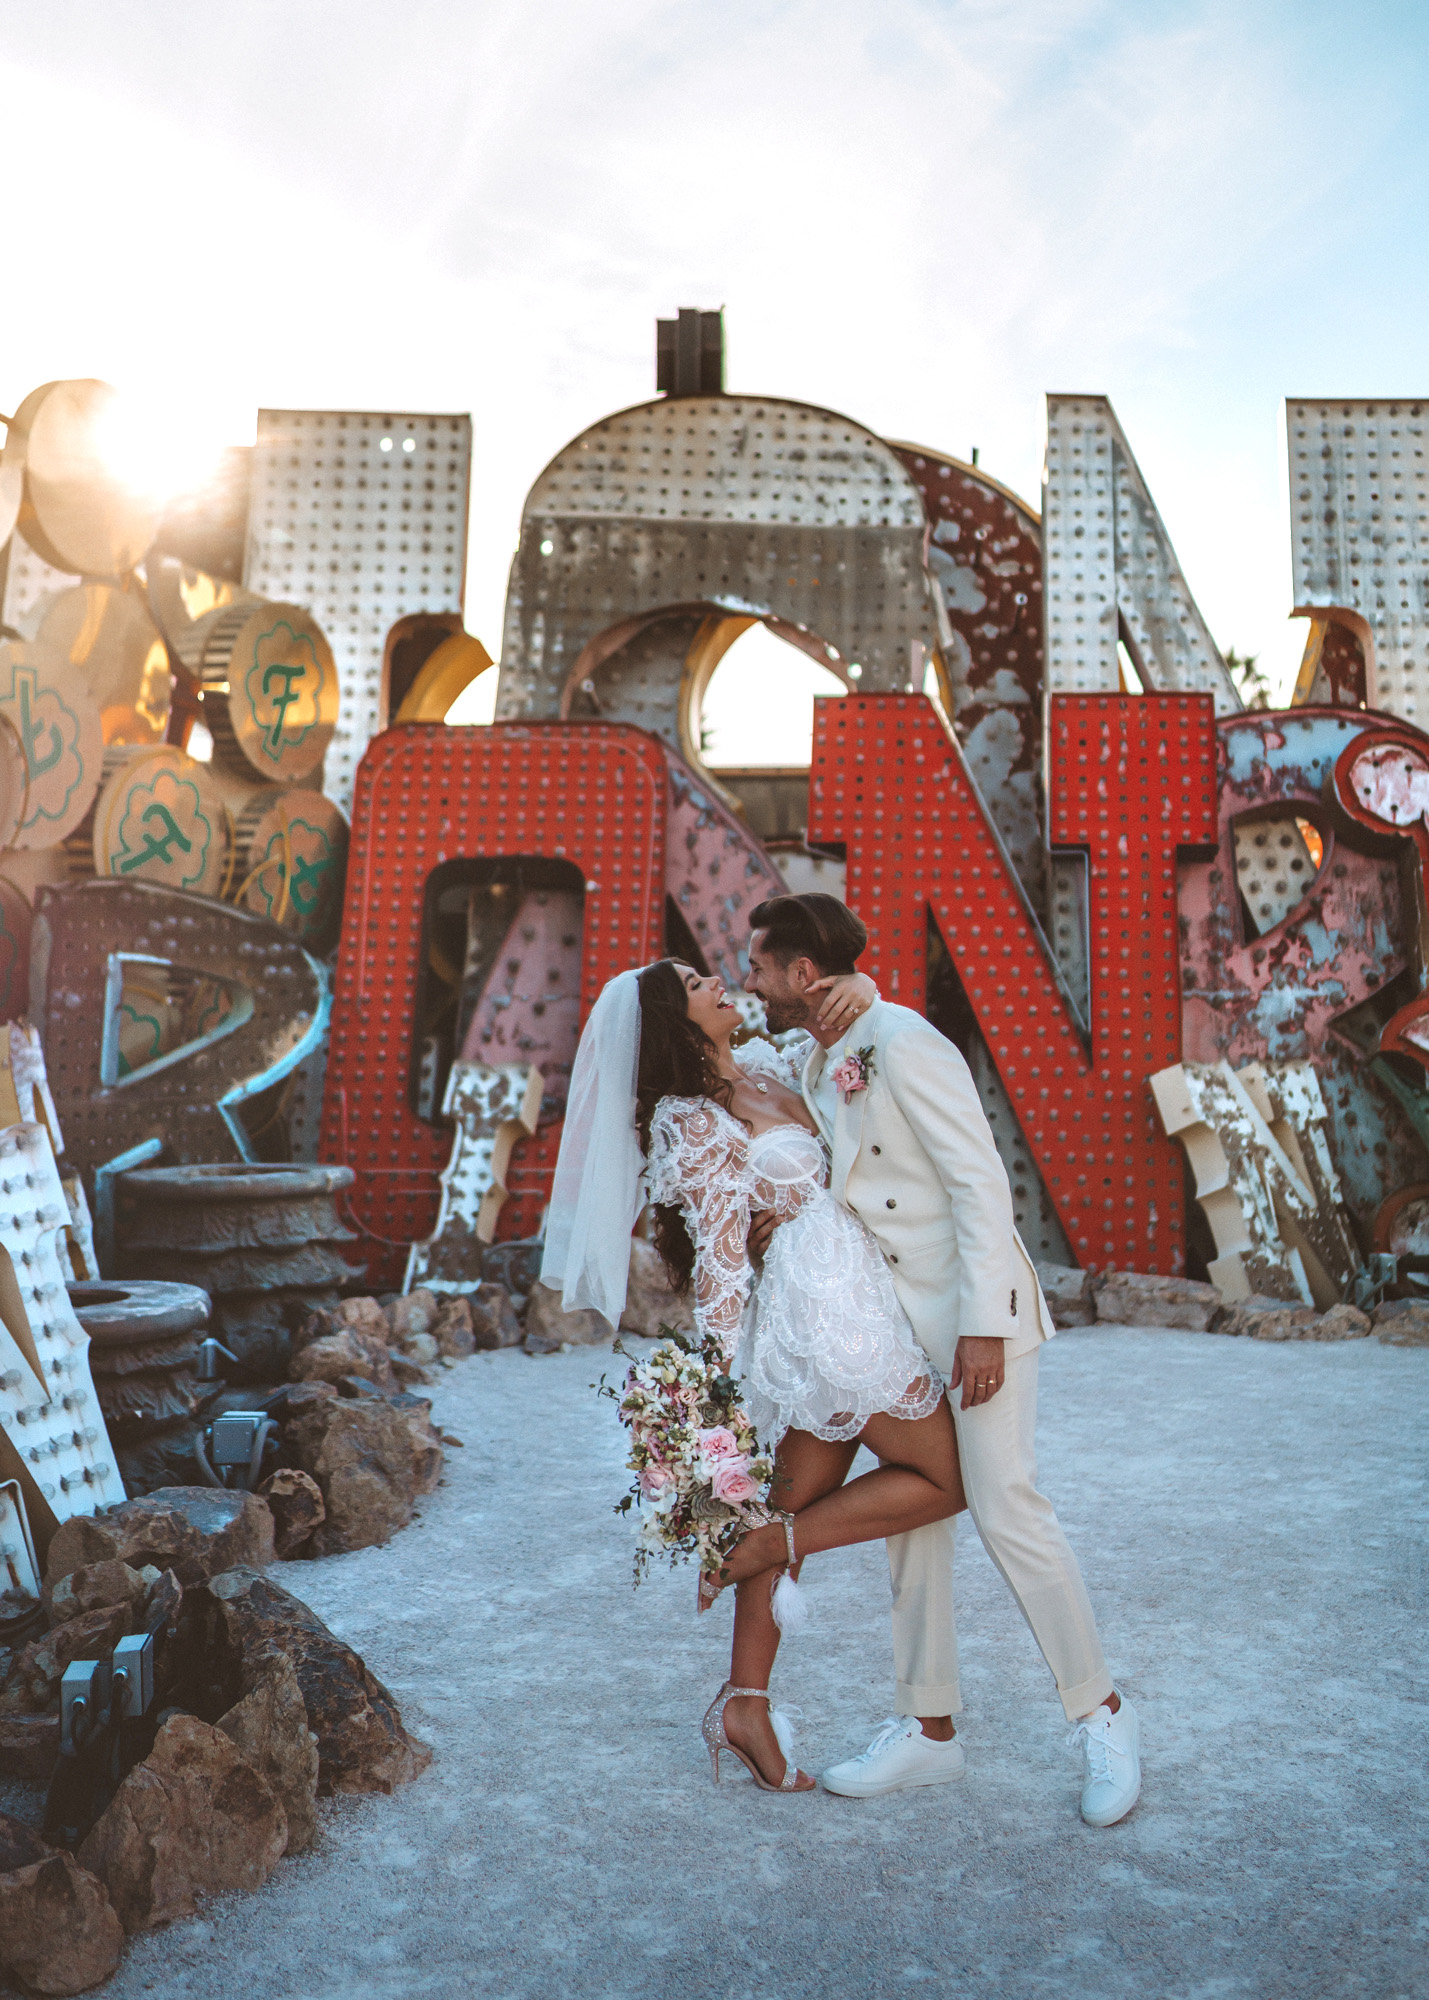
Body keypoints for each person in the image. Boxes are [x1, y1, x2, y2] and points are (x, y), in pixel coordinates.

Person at [742, 891, 1141, 1828]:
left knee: (1007, 1510)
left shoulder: (905, 1042)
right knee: (912, 1530)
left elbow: (978, 1182)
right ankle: (929, 1732)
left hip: (968, 1319)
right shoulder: (814, 1054)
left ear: (804, 974)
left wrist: (988, 1324)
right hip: (885, 1329)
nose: (748, 981)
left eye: (761, 967)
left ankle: (1104, 1713)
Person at [540, 957, 966, 1795]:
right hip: (824, 1320)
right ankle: (768, 1545)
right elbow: (722, 1265)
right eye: (697, 983)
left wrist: (869, 991)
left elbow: (857, 1049)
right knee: (948, 1479)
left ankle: (745, 1705)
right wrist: (723, 1397)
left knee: (793, 1500)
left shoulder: (773, 1062)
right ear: (676, 1019)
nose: (720, 983)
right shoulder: (688, 1121)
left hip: (858, 1287)